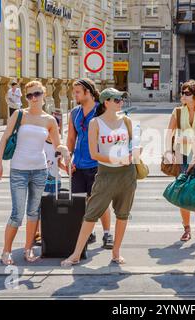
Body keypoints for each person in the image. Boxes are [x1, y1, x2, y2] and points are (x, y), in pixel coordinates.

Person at [0, 80, 71, 265]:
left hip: (40, 170)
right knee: (17, 213)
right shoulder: (19, 115)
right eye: (29, 95)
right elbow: (4, 139)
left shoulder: (50, 120)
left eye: (37, 94)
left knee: (34, 212)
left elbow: (56, 143)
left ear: (44, 95)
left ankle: (28, 249)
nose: (33, 98)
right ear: (26, 97)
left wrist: (65, 150)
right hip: (19, 170)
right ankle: (6, 251)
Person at [61, 88, 136, 266]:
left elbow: (133, 144)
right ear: (106, 102)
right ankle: (76, 254)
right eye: (116, 99)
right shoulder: (96, 123)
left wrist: (133, 155)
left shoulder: (126, 120)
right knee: (91, 213)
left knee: (123, 214)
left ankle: (116, 252)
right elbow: (94, 154)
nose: (120, 102)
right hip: (105, 173)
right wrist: (116, 158)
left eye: (121, 99)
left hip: (127, 173)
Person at [67, 78, 114, 249]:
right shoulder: (74, 113)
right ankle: (89, 232)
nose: (75, 95)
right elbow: (71, 139)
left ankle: (108, 234)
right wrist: (67, 158)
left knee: (100, 201)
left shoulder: (101, 110)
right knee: (79, 202)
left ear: (88, 92)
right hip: (78, 165)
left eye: (77, 91)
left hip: (98, 164)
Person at [164, 80, 195, 242]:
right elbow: (169, 133)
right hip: (182, 155)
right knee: (182, 192)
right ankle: (186, 229)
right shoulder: (177, 111)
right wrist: (168, 150)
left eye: (187, 93)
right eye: (182, 92)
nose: (183, 96)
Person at [34, 117, 67, 245]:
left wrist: (68, 169)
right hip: (41, 181)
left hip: (55, 181)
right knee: (38, 208)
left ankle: (51, 232)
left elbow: (58, 162)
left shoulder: (58, 145)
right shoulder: (40, 143)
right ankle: (37, 233)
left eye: (56, 129)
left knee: (53, 208)